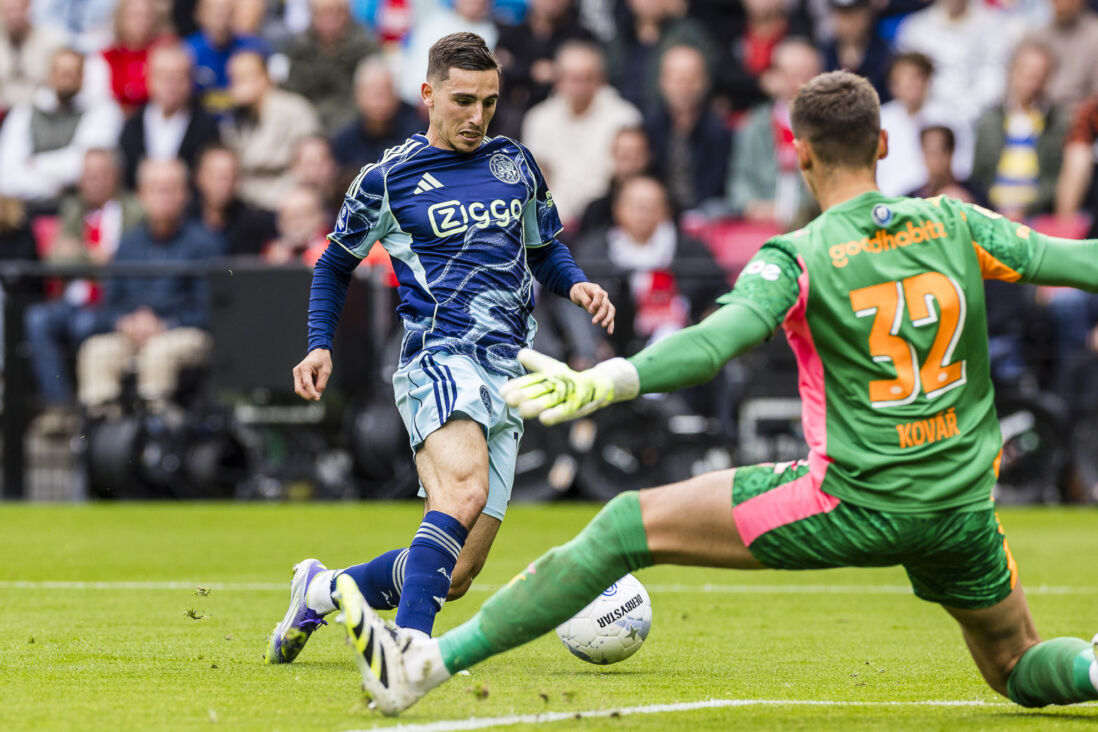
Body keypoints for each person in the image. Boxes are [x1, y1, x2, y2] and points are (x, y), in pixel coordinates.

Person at [333, 71, 1098, 717]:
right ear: (886, 145)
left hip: (853, 503)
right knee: (1017, 668)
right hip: (962, 511)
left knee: (624, 525)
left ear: (798, 155)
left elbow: (713, 343)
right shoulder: (957, 223)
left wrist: (608, 377)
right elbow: (1081, 261)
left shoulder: (800, 255)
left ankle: (423, 664)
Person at [264, 32, 616, 665]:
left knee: (455, 574)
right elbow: (333, 264)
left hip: (512, 371)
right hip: (439, 357)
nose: (477, 117)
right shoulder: (386, 179)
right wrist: (320, 345)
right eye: (462, 101)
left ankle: (321, 589)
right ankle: (412, 654)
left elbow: (544, 248)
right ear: (428, 94)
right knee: (461, 494)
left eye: (488, 102)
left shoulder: (516, 163)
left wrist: (577, 282)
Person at [75, 158, 221, 412]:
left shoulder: (204, 245)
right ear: (140, 195)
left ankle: (156, 435)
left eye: (171, 188)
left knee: (158, 352)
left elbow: (210, 311)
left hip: (183, 333)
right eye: (155, 188)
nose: (162, 196)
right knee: (96, 351)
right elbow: (108, 307)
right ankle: (104, 437)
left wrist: (165, 325)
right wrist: (124, 322)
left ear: (185, 195)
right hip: (131, 332)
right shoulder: (128, 244)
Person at [521, 40, 642, 226]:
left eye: (587, 78)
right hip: (556, 221)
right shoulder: (538, 119)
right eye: (572, 78)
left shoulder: (625, 117)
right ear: (558, 80)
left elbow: (628, 180)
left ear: (601, 79)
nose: (579, 86)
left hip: (608, 218)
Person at [0, 47, 123, 208]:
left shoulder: (99, 110)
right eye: (61, 72)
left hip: (78, 206)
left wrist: (35, 163)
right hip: (25, 207)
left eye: (72, 73)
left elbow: (83, 167)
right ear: (49, 75)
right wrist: (55, 186)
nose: (66, 79)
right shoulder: (25, 111)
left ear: (82, 76)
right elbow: (6, 174)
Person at [971, 40, 1067, 219]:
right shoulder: (990, 120)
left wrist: (1025, 208)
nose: (1032, 80)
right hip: (992, 210)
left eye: (1039, 74)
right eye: (1026, 72)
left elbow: (1058, 179)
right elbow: (978, 176)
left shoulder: (1057, 122)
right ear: (1012, 71)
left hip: (1037, 214)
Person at [220, 50, 321, 211]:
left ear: (266, 77)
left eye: (245, 77)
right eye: (234, 79)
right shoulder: (234, 117)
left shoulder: (294, 109)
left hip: (287, 200)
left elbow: (310, 163)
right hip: (247, 202)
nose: (238, 85)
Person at [118, 43, 221, 189]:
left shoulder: (207, 127)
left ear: (190, 80)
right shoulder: (132, 126)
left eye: (178, 76)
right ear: (149, 78)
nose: (171, 84)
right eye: (163, 76)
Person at [282, 0, 380, 134]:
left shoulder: (364, 46)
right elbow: (293, 91)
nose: (329, 19)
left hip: (353, 120)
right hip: (308, 120)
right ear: (312, 15)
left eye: (335, 12)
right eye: (322, 13)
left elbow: (367, 95)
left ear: (346, 14)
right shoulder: (300, 47)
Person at [330, 58, 422, 180]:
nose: (380, 99)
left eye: (385, 91)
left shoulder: (418, 131)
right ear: (357, 95)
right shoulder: (344, 141)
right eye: (373, 92)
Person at [188, 144, 277, 257]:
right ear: (199, 177)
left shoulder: (255, 224)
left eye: (230, 176)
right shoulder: (183, 221)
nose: (224, 184)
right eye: (217, 177)